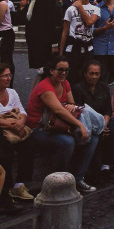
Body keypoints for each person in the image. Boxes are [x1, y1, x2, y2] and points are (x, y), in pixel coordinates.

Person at [25, 55, 99, 192]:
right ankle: (59, 183)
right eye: (60, 70)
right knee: (67, 142)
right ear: (51, 70)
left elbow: (71, 105)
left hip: (58, 126)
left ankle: (78, 179)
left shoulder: (65, 83)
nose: (64, 73)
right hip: (40, 128)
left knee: (93, 138)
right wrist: (80, 125)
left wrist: (72, 107)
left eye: (66, 70)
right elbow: (58, 110)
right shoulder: (45, 87)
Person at [0, 63, 34, 213]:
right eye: (5, 76)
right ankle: (5, 194)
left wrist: (20, 122)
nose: (9, 78)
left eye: (10, 75)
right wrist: (8, 124)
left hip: (15, 126)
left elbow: (23, 111)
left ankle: (19, 184)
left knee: (30, 143)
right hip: (2, 128)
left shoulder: (12, 92)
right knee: (5, 151)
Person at [72, 60, 113, 172]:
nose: (94, 77)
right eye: (91, 73)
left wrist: (104, 124)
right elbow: (80, 112)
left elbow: (108, 109)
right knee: (95, 137)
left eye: (97, 74)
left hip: (101, 122)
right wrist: (99, 127)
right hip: (87, 123)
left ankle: (106, 166)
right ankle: (92, 170)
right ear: (85, 73)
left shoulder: (103, 88)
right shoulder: (78, 89)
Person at [60, 0, 100, 83]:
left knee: (86, 77)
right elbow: (65, 32)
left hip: (88, 47)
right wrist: (61, 53)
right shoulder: (71, 9)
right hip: (73, 48)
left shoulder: (96, 9)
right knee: (71, 77)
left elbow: (90, 22)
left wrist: (80, 7)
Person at [26, 0, 61, 70]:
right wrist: (54, 43)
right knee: (47, 70)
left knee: (42, 70)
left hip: (36, 39)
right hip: (46, 41)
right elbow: (52, 22)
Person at [0, 0, 15, 84]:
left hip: (6, 33)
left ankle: (9, 82)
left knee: (6, 59)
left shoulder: (2, 4)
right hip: (4, 32)